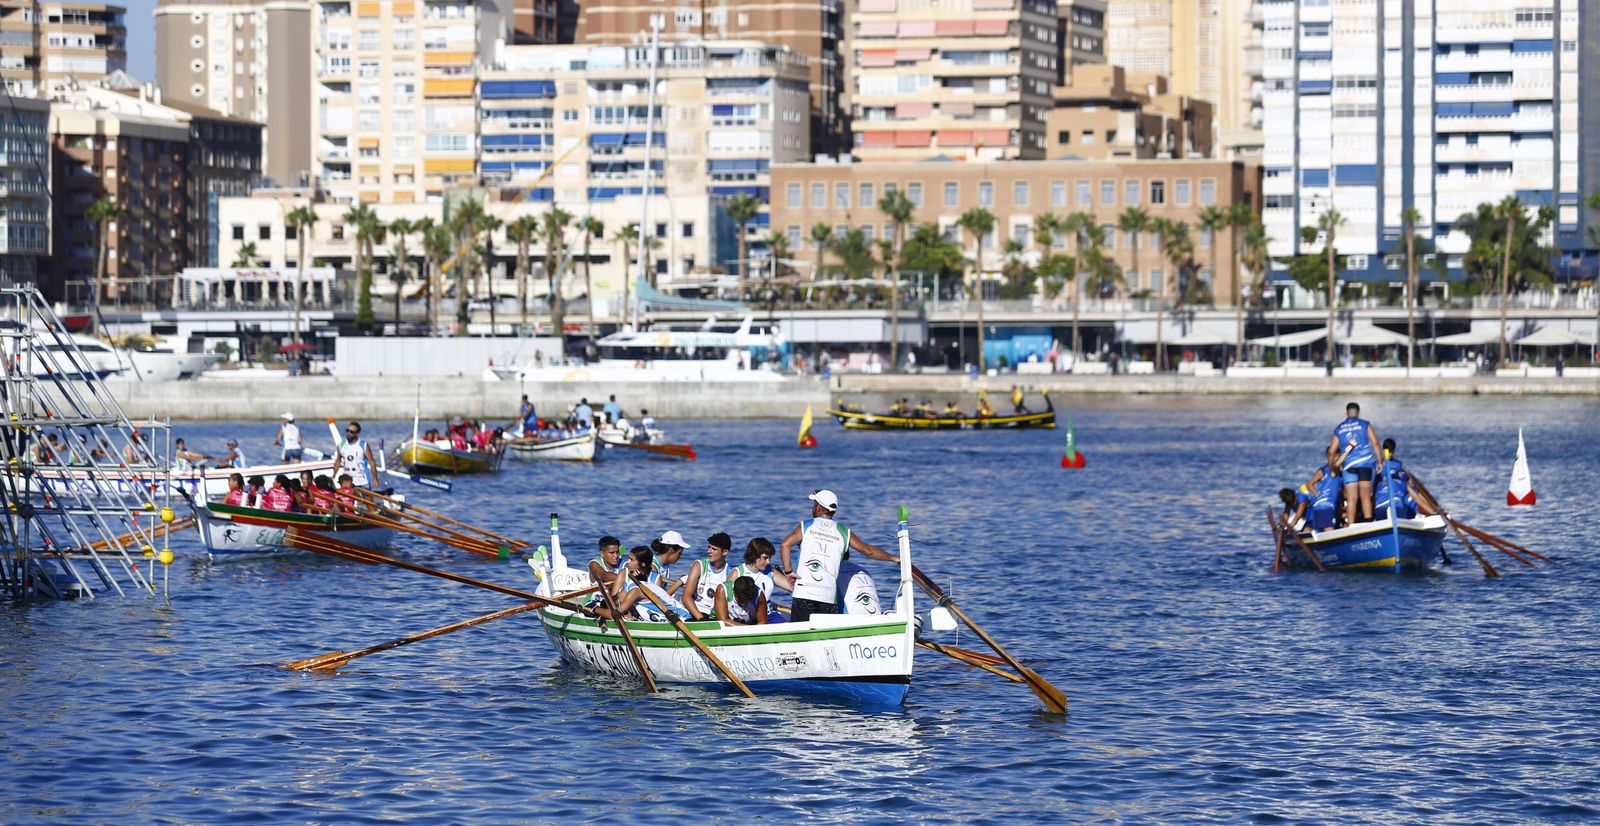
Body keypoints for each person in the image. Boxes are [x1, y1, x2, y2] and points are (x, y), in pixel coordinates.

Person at [777, 489, 899, 622]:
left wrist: (788, 571)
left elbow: (785, 545)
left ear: (818, 507)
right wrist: (894, 558)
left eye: (814, 504)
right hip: (828, 597)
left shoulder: (806, 526)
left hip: (804, 594)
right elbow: (868, 550)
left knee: (800, 634)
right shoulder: (843, 532)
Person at [1328, 402, 1381, 524]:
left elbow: (1331, 451)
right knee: (1365, 497)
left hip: (1348, 466)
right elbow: (1376, 443)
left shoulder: (1339, 428)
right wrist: (1379, 461)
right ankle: (1368, 523)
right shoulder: (1365, 424)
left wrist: (1331, 468)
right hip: (1365, 464)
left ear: (1346, 413)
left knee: (1351, 499)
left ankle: (1351, 525)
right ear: (1358, 413)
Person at [605, 546, 688, 623]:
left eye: (631, 559)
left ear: (643, 564)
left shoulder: (655, 578)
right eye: (628, 559)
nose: (627, 562)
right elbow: (613, 601)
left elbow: (658, 602)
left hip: (654, 615)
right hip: (629, 611)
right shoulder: (624, 573)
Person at [682, 532, 736, 621]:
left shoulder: (731, 573)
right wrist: (701, 618)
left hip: (716, 615)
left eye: (714, 549)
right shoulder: (699, 565)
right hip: (696, 612)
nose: (709, 551)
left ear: (725, 552)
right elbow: (686, 596)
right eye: (709, 547)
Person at [332, 421, 379, 490]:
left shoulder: (363, 445)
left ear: (357, 433)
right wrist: (333, 476)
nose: (348, 433)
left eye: (352, 432)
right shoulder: (341, 445)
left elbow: (372, 462)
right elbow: (338, 461)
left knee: (368, 499)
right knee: (349, 500)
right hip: (347, 480)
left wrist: (375, 479)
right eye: (347, 431)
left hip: (362, 480)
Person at [650, 532, 689, 596]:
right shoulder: (652, 566)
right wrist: (679, 582)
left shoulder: (666, 564)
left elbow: (662, 578)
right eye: (679, 553)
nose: (681, 556)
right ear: (671, 551)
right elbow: (661, 598)